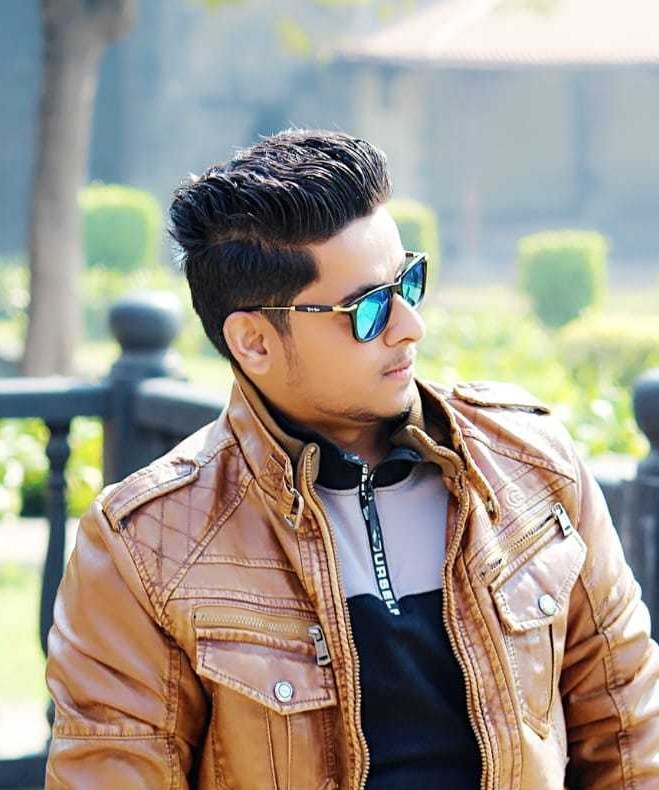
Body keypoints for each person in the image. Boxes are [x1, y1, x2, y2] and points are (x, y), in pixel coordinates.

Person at [45, 130, 659, 789]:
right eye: (367, 310)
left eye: (408, 282)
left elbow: (629, 736)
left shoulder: (530, 463)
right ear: (254, 342)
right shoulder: (147, 546)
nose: (410, 325)